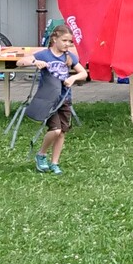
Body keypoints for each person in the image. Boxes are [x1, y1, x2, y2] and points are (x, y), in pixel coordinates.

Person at [16, 21, 86, 174]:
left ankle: (55, 163)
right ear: (55, 39)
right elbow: (20, 61)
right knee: (55, 130)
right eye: (64, 40)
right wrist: (35, 62)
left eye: (70, 41)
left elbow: (83, 73)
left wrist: (73, 78)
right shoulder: (45, 54)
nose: (67, 44)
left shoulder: (70, 57)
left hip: (64, 99)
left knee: (62, 133)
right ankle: (41, 155)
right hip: (49, 99)